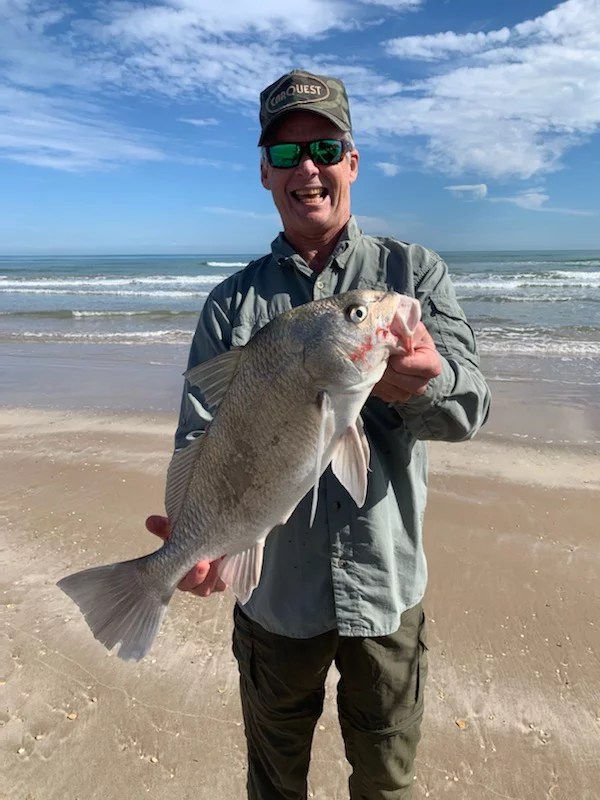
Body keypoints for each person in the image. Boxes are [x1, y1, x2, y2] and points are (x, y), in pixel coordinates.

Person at [146, 69, 491, 800]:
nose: (307, 166)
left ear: (352, 162)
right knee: (275, 782)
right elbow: (197, 439)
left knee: (387, 783)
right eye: (285, 154)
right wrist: (197, 542)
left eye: (325, 146)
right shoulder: (230, 304)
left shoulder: (410, 274)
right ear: (265, 175)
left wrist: (427, 383)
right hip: (273, 599)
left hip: (385, 590)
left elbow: (472, 409)